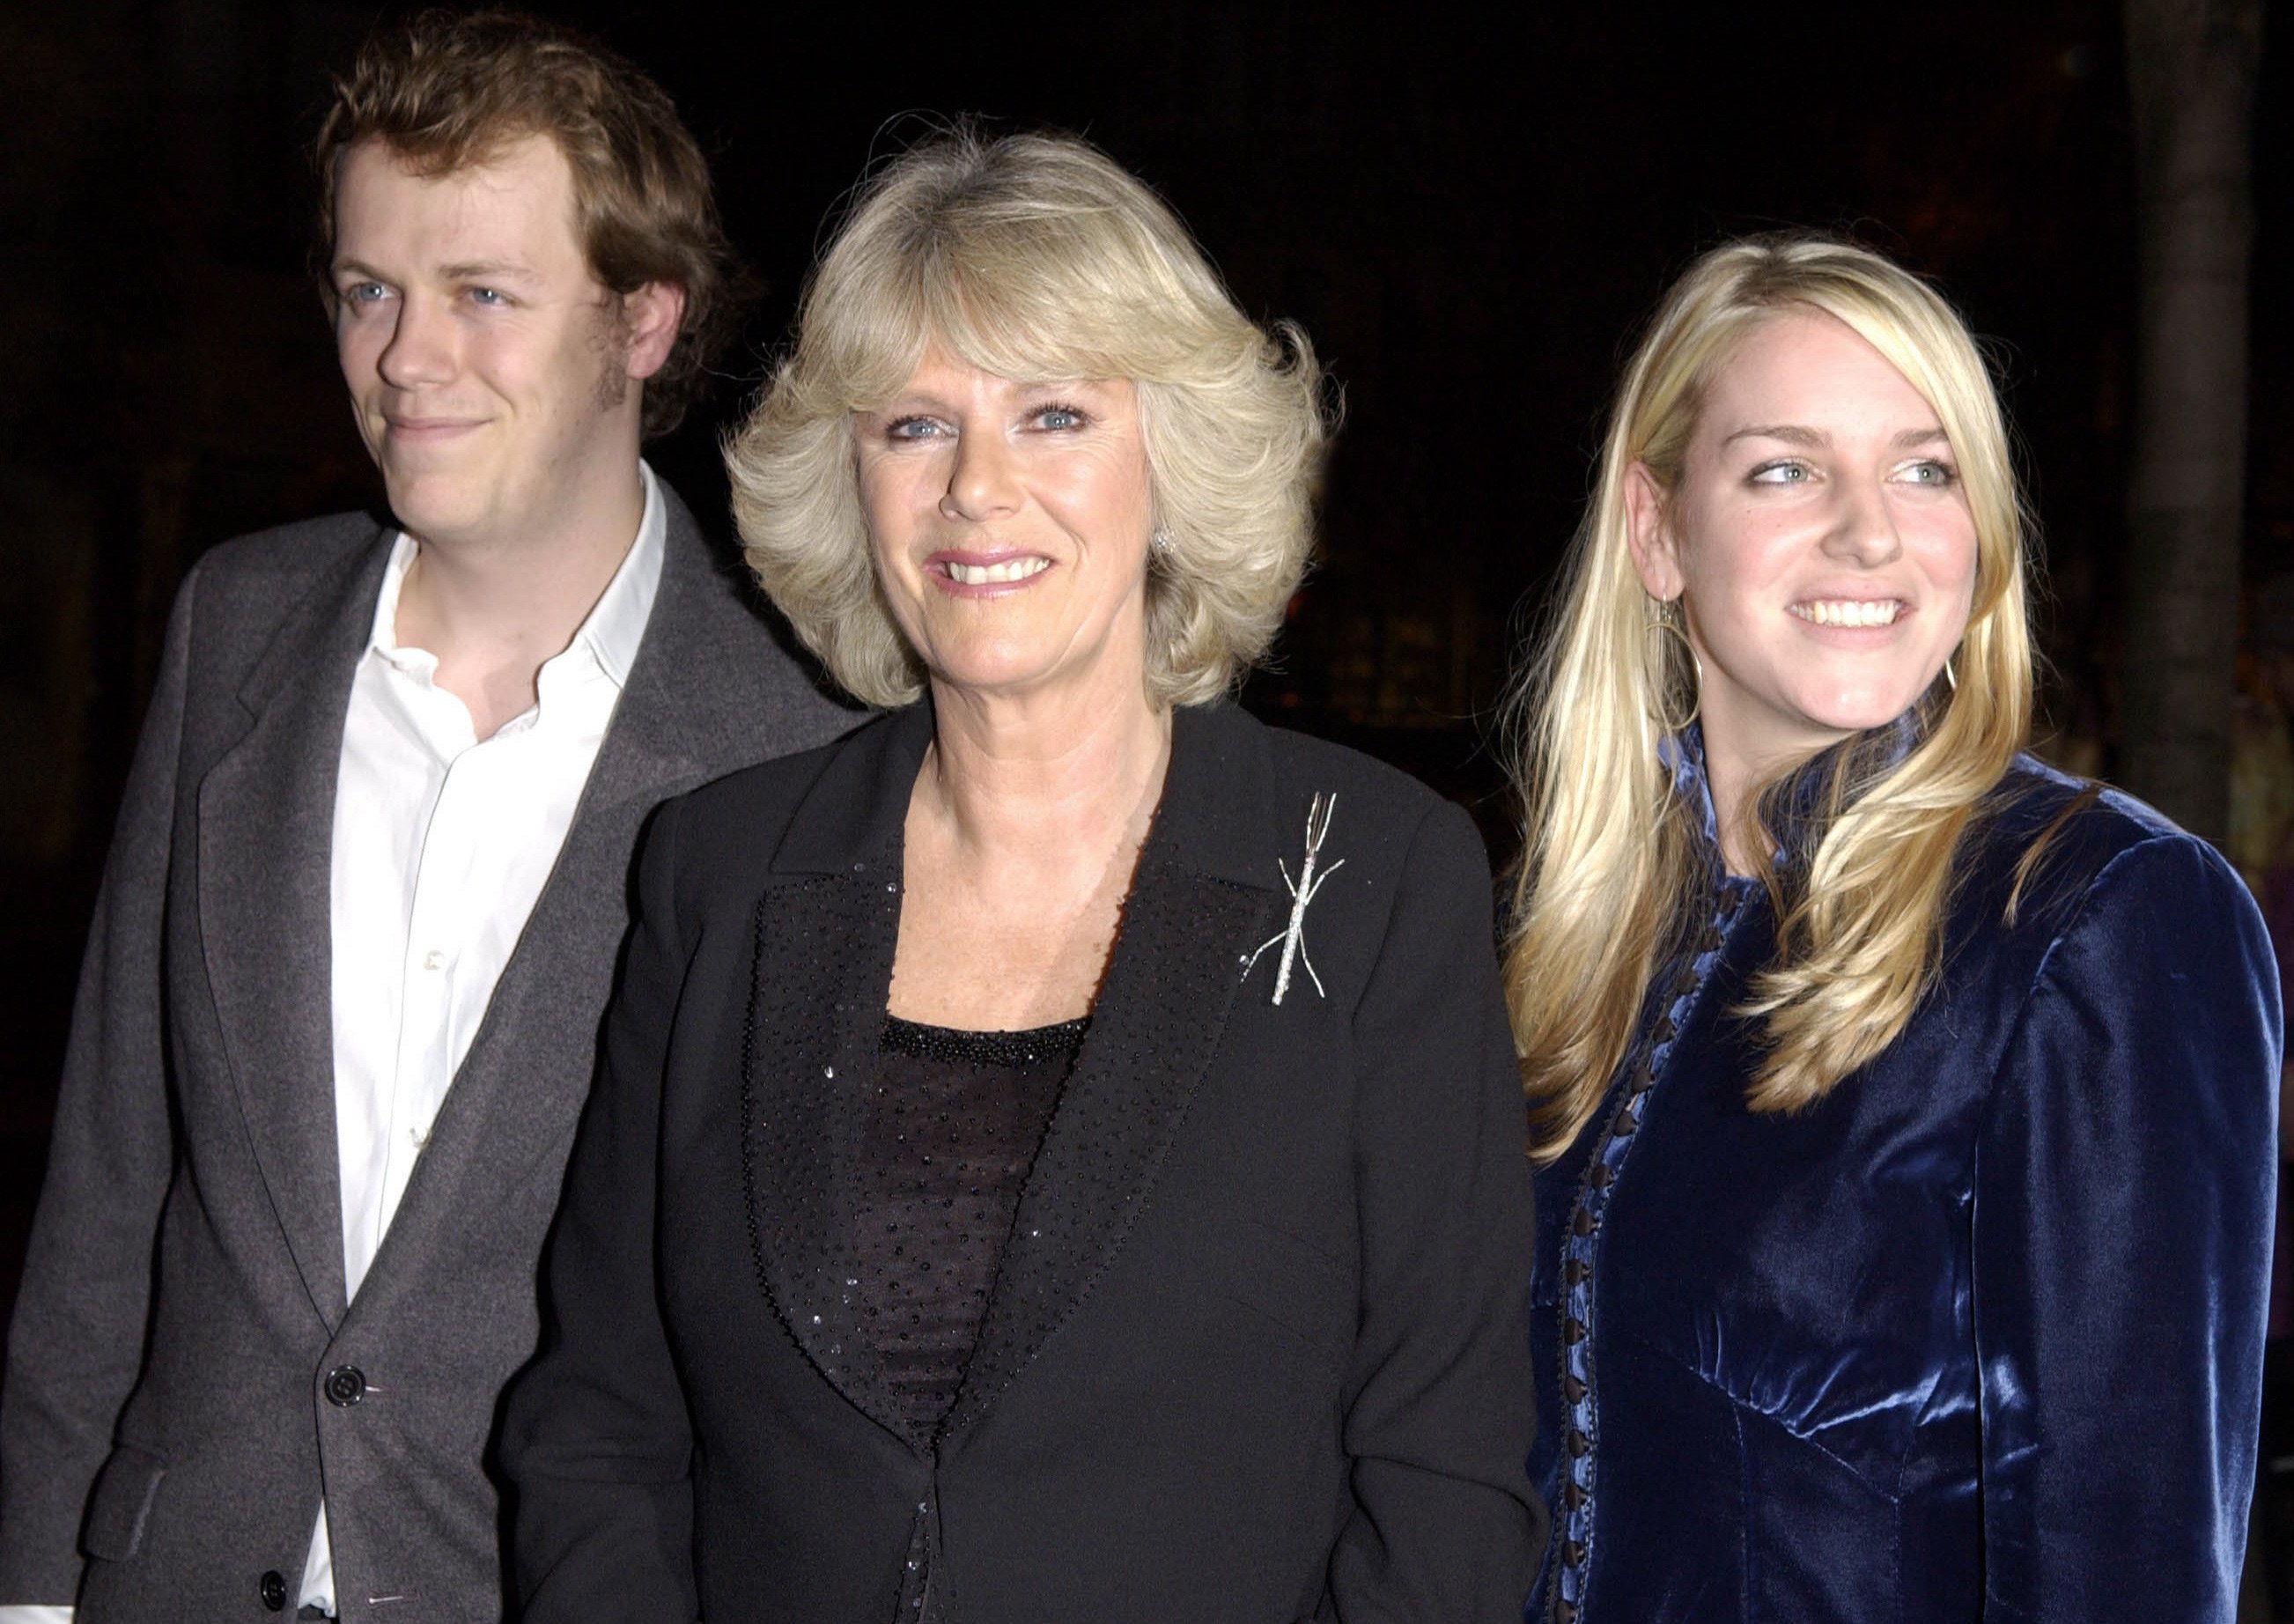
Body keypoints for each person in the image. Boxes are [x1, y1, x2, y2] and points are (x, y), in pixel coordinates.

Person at [500, 129, 1543, 1622]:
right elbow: (599, 1423)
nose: (976, 489)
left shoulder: (1377, 880)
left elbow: (1440, 1485)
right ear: (848, 480)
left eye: (1053, 414)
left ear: (1167, 464)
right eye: (912, 426)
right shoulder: (717, 874)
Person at [0, 12, 852, 1620]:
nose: (404, 356)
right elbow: (113, 1170)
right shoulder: (236, 629)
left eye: (483, 295)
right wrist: (38, 1590)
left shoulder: (799, 730)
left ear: (643, 323)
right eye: (370, 289)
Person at [1502, 232, 2283, 1622]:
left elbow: (2130, 1567)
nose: (1870, 530)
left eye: (1925, 469)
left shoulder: (2099, 915)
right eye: (1785, 468)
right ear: (1656, 529)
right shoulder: (1570, 930)